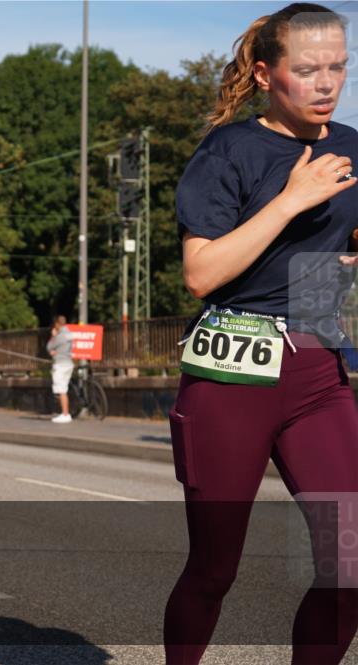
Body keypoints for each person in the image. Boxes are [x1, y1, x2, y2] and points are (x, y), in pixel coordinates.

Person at [165, 5, 358, 664]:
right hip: (232, 376)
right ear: (265, 73)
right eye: (307, 70)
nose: (326, 82)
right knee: (215, 568)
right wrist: (289, 200)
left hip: (317, 374)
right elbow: (201, 272)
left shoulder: (354, 148)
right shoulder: (229, 150)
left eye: (338, 66)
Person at [46, 315, 74, 423]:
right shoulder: (69, 334)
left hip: (60, 364)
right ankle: (65, 412)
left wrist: (53, 336)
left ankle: (65, 414)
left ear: (57, 324)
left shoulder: (60, 336)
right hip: (68, 363)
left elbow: (49, 346)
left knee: (60, 389)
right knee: (63, 388)